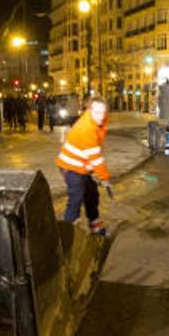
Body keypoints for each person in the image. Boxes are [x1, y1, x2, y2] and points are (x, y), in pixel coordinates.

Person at [56, 96, 112, 236]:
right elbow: (96, 158)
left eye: (103, 112)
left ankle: (95, 226)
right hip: (71, 168)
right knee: (76, 199)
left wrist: (94, 171)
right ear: (90, 110)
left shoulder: (99, 122)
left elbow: (93, 154)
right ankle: (67, 234)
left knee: (91, 194)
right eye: (97, 112)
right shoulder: (86, 128)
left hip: (82, 167)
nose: (100, 116)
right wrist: (105, 178)